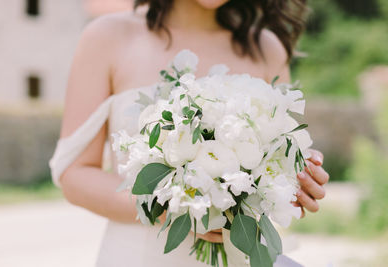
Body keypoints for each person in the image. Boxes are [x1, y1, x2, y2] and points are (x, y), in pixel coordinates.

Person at [50, 0, 330, 266]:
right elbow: (75, 174)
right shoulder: (108, 37)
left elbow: (272, 171)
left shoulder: (267, 49)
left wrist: (292, 179)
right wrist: (171, 208)